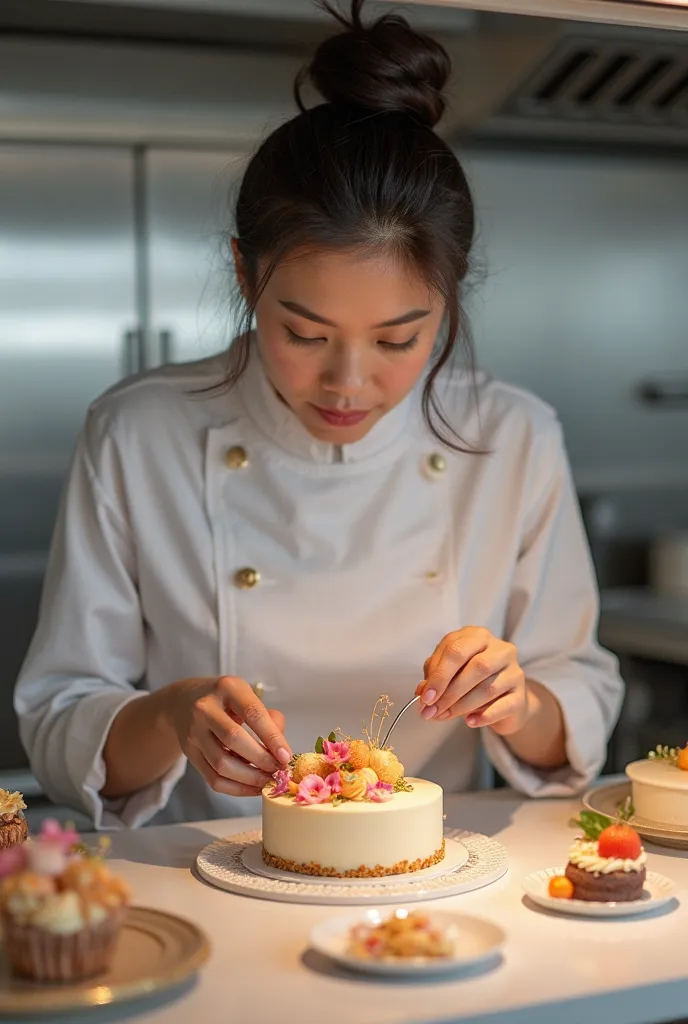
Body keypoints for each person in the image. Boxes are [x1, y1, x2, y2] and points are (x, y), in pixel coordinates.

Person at [14, 0, 623, 830]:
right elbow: (58, 718)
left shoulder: (511, 438)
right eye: (305, 332)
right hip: (203, 870)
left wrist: (518, 701)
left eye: (398, 339)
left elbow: (576, 711)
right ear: (242, 275)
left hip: (437, 871)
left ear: (448, 301)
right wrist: (174, 713)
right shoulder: (138, 432)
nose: (348, 381)